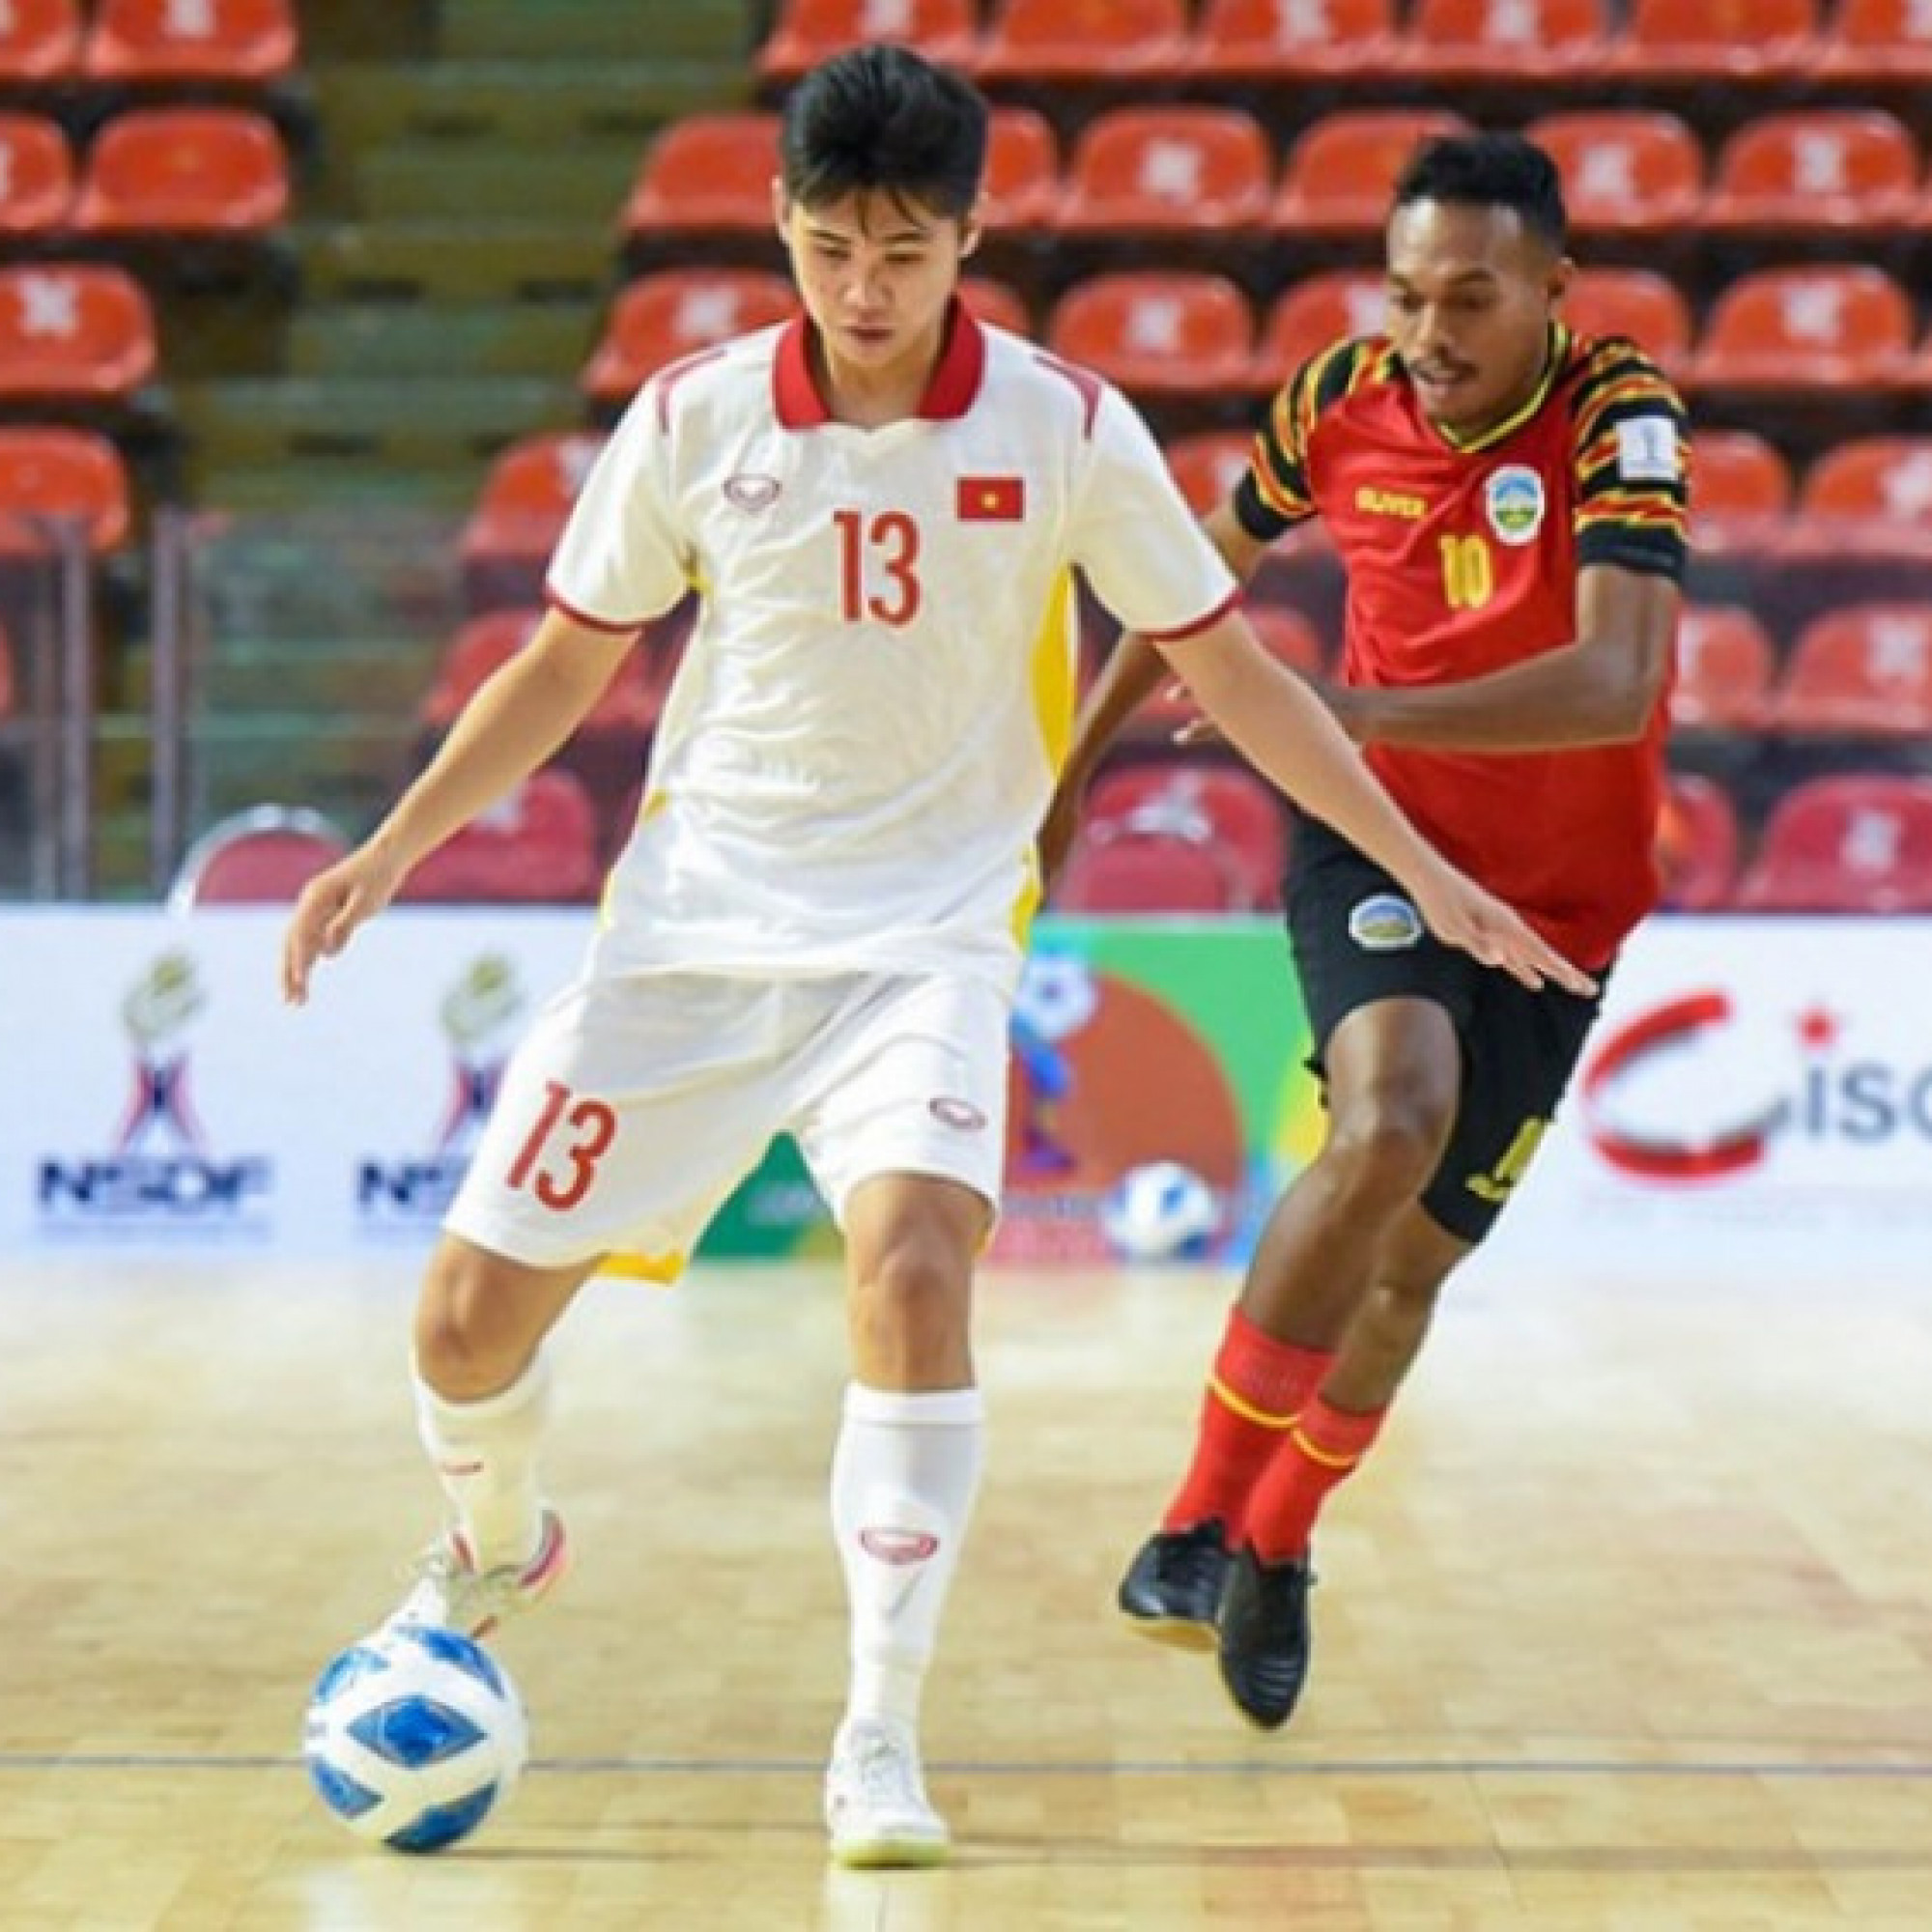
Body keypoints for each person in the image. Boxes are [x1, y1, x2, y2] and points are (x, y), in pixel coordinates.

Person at [281, 61, 1585, 1869]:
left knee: (910, 1268)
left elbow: (1230, 667)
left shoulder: (1063, 427)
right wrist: (392, 844)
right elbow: (566, 666)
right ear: (783, 229)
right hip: (690, 944)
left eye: (903, 251)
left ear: (971, 235)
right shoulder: (692, 416)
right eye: (830, 249)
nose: (865, 288)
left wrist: (1422, 870)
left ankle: (878, 1733)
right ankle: (498, 1546)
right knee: (458, 1325)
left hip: (926, 945)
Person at [1043, 130, 1688, 1733]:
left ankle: (1277, 1546)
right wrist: (1074, 774)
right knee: (1393, 1115)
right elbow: (1194, 572)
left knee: (1409, 1280)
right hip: (1375, 832)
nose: (1428, 333)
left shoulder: (1620, 414)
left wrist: (1348, 702)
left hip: (1560, 906)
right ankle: (1195, 1527)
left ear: (1554, 288)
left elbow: (1618, 687)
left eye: (1470, 297)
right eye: (1405, 295)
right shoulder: (1337, 398)